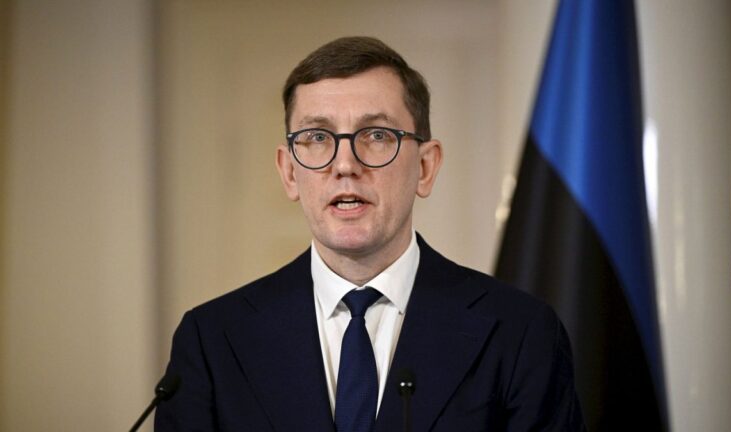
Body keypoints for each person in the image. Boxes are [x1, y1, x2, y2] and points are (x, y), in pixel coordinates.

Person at [155, 36, 584, 432]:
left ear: (425, 167)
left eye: (377, 135)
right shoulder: (212, 341)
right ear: (288, 172)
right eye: (317, 137)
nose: (345, 165)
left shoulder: (521, 333)